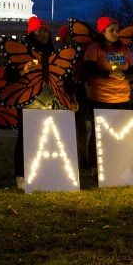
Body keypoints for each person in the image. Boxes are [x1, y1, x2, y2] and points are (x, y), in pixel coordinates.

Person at [9, 17, 78, 189]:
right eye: (40, 31)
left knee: (51, 138)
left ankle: (50, 171)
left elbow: (66, 76)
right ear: (31, 33)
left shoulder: (53, 54)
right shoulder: (20, 52)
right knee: (26, 138)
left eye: (46, 31)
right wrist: (23, 70)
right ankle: (21, 174)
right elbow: (8, 75)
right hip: (29, 101)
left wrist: (72, 96)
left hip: (52, 100)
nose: (44, 34)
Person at [83, 17, 133, 174]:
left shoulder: (124, 49)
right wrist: (109, 75)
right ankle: (95, 167)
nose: (115, 33)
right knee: (99, 133)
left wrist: (125, 75)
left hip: (122, 98)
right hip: (100, 98)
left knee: (119, 133)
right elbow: (90, 70)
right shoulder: (94, 48)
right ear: (102, 31)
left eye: (117, 30)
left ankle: (115, 164)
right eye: (111, 30)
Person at [59, 24, 90, 169]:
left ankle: (83, 158)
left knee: (81, 127)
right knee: (66, 127)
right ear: (65, 38)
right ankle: (67, 156)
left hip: (80, 91)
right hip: (65, 92)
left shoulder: (81, 54)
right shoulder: (60, 54)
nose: (74, 39)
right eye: (71, 36)